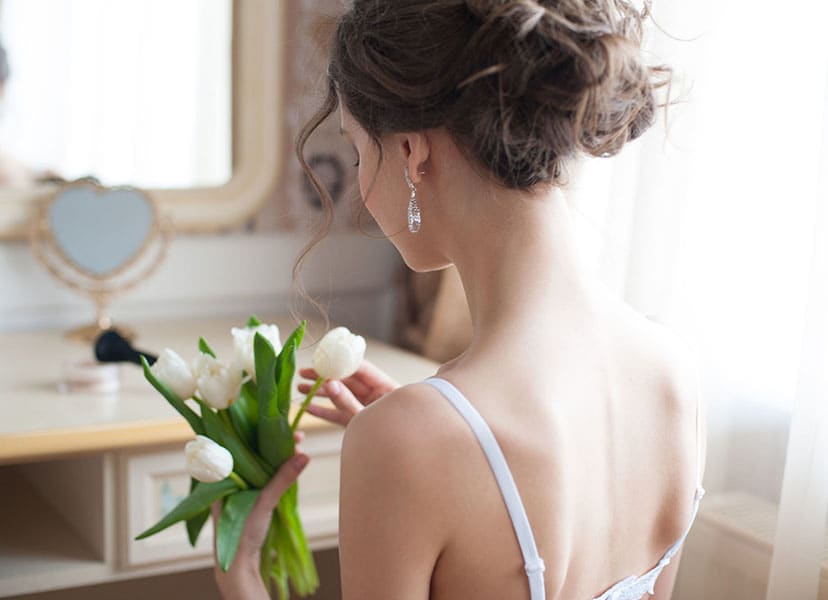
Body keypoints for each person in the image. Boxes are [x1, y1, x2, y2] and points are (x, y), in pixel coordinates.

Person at [214, 1, 706, 598]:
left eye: (356, 149)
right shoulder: (671, 371)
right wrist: (434, 438)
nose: (364, 194)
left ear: (410, 153)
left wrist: (242, 579)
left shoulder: (409, 440)